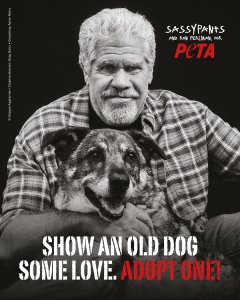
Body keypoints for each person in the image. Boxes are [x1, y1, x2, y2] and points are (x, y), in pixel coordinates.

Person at [0, 8, 240, 271]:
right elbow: (9, 242)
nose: (121, 82)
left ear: (149, 71)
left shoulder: (189, 115)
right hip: (89, 259)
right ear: (85, 69)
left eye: (133, 68)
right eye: (107, 67)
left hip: (191, 248)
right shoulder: (43, 128)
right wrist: (90, 223)